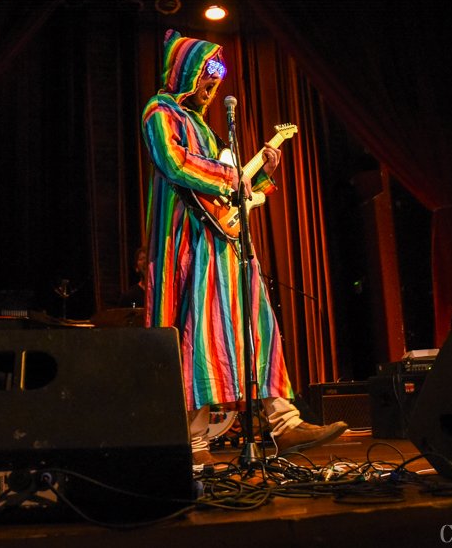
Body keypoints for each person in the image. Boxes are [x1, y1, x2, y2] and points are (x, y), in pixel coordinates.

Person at [141, 29, 347, 467]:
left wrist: (263, 172)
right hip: (188, 243)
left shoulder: (204, 128)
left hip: (226, 242)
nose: (213, 86)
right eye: (205, 76)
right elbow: (174, 163)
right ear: (184, 71)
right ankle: (192, 444)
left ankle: (284, 423)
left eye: (217, 79)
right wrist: (231, 177)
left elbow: (236, 191)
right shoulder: (160, 113)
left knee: (254, 323)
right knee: (195, 332)